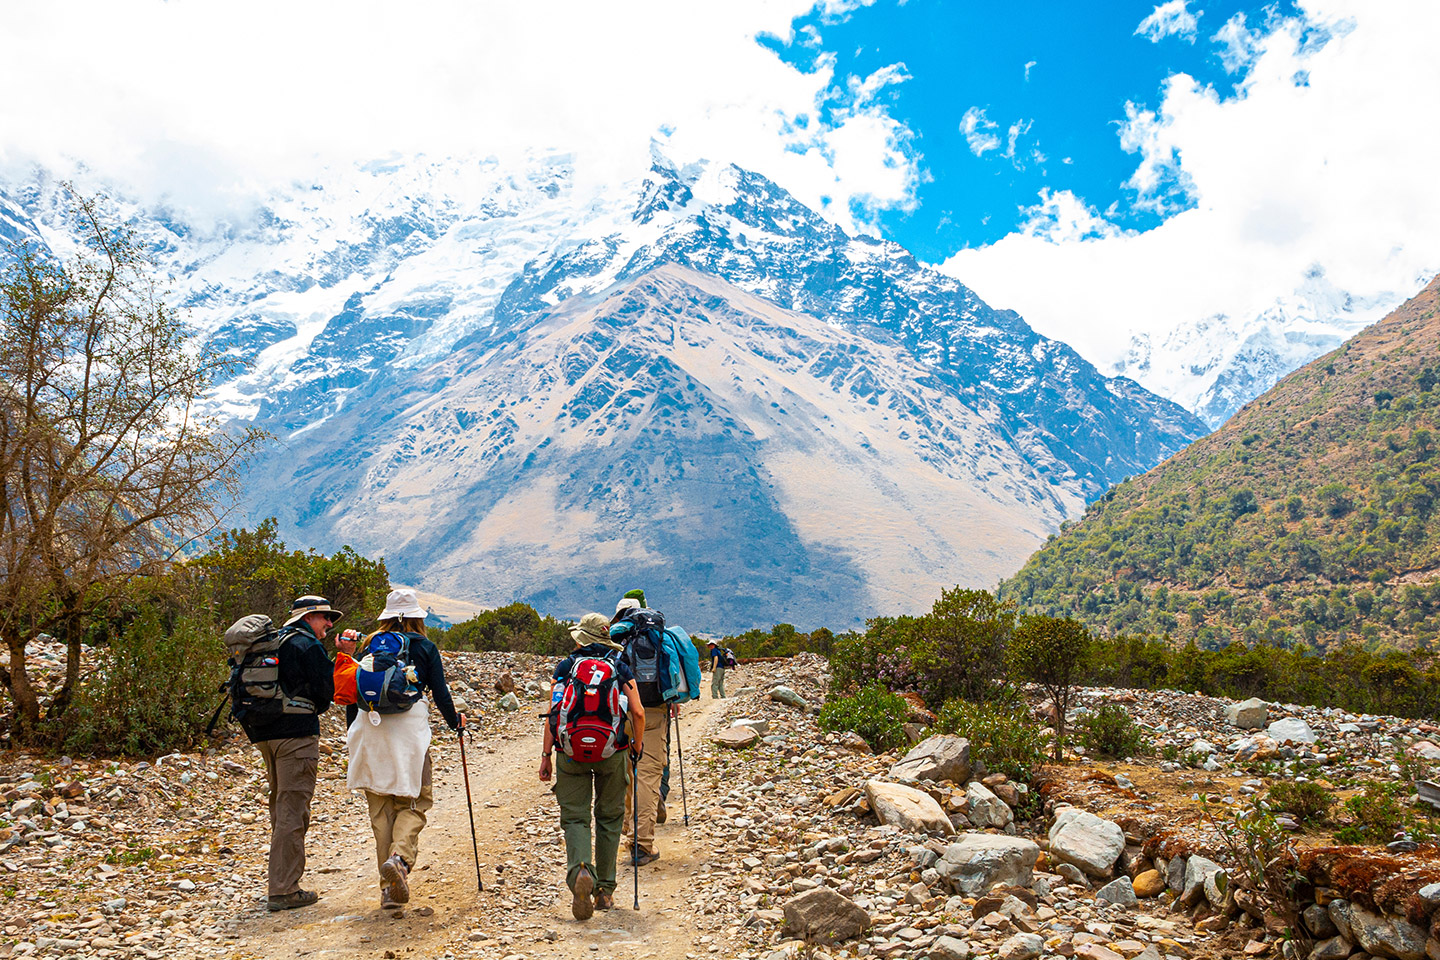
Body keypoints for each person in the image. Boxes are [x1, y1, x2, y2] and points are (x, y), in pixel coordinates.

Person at [335, 588, 463, 909]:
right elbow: (440, 692)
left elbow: (355, 692)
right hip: (408, 734)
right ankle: (400, 860)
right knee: (415, 800)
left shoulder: (370, 644)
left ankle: (387, 891)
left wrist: (354, 733)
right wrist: (455, 723)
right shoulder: (425, 647)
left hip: (369, 729)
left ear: (386, 616)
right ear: (417, 617)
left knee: (380, 811)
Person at [540, 613, 644, 919]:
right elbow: (638, 712)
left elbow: (553, 713)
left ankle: (581, 871)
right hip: (613, 751)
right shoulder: (620, 667)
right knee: (609, 818)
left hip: (570, 751)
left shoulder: (565, 667)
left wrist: (546, 755)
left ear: (581, 639)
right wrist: (637, 746)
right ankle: (605, 892)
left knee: (575, 818)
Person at [241, 594, 338, 912]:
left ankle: (281, 879)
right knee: (293, 810)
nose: (329, 623)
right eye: (325, 617)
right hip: (296, 736)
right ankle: (283, 890)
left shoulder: (273, 642)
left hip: (264, 735)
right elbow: (326, 694)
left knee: (281, 806)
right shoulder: (307, 645)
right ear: (308, 617)